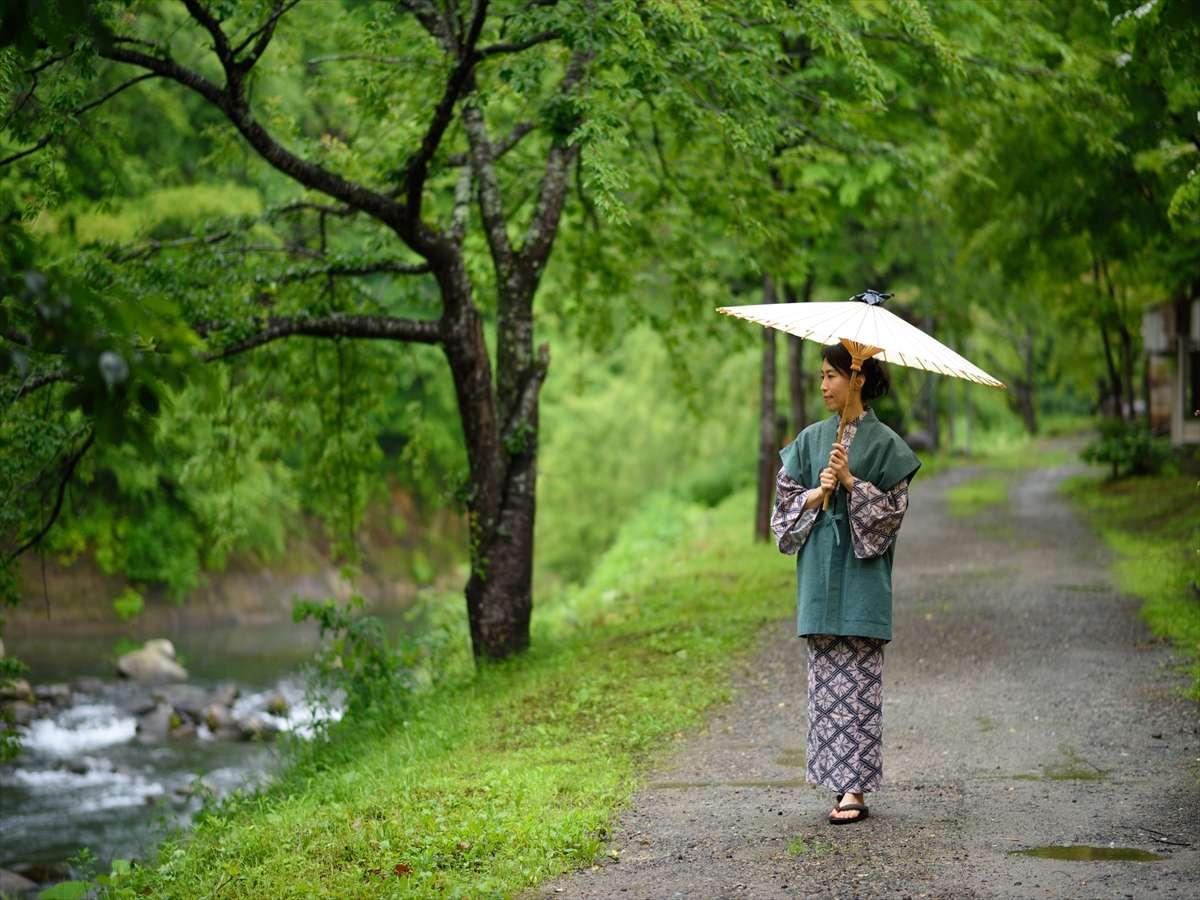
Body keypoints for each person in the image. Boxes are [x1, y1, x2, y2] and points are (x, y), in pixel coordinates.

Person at [771, 343, 920, 825]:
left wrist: (853, 482)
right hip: (820, 576)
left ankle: (854, 790)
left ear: (857, 379)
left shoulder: (888, 446)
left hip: (862, 583)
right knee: (826, 686)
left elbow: (891, 517)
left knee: (859, 685)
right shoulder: (809, 440)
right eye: (820, 376)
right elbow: (782, 516)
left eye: (831, 375)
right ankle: (839, 783)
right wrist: (818, 493)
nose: (823, 385)